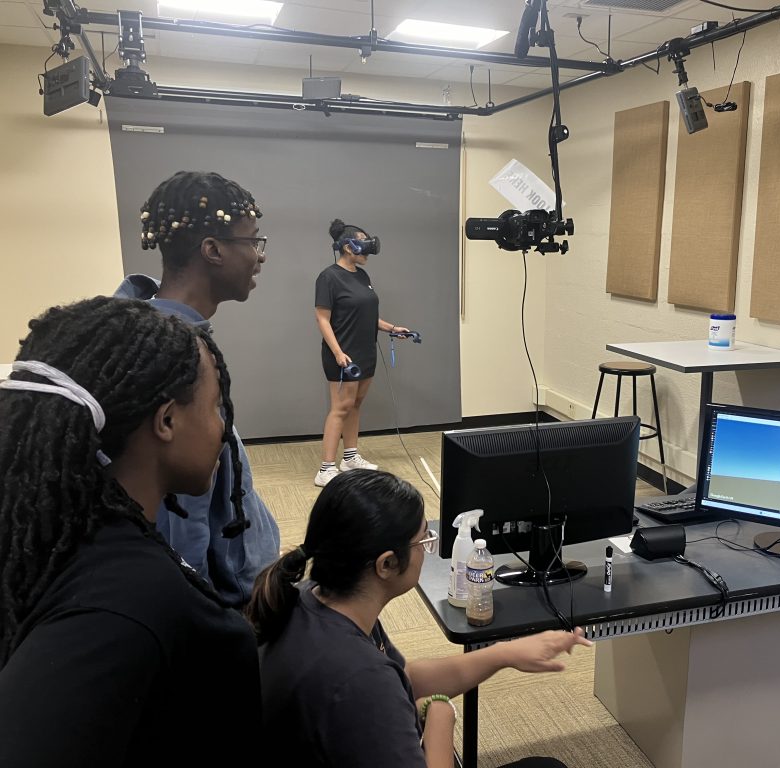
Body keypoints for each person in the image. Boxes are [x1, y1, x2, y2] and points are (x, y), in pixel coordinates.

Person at [0, 297, 262, 766]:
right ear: (166, 421)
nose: (223, 427)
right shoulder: (130, 606)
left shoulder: (49, 538)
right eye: (216, 407)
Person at [248, 470, 588, 768]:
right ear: (386, 564)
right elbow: (384, 686)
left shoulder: (316, 596)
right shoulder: (359, 680)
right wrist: (441, 718)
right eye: (423, 539)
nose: (427, 547)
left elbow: (403, 676)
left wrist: (503, 654)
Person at [115, 170, 280, 607]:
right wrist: (204, 614)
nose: (260, 257)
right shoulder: (168, 356)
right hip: (213, 603)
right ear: (212, 250)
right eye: (253, 242)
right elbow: (179, 517)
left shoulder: (155, 331)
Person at [313, 219, 410, 486]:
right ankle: (325, 469)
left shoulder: (362, 276)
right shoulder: (329, 277)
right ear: (347, 247)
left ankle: (350, 458)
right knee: (340, 408)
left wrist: (392, 328)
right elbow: (322, 319)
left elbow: (368, 315)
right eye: (363, 245)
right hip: (343, 354)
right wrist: (337, 352)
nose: (367, 252)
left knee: (355, 405)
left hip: (366, 351)